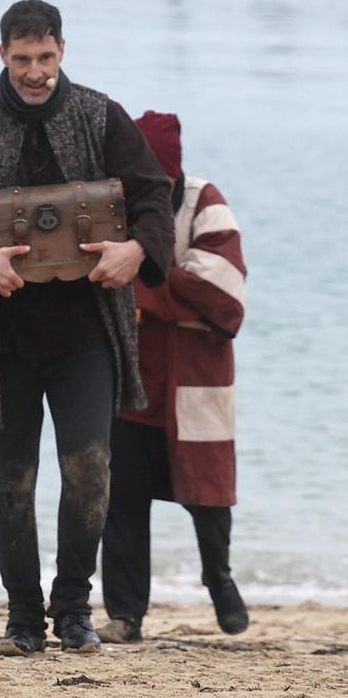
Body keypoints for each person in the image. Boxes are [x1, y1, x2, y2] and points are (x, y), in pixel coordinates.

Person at [0, 0, 174, 657]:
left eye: (46, 58)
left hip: (87, 331)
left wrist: (135, 251)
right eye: (22, 59)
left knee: (90, 469)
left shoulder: (99, 114)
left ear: (62, 51)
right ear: (2, 54)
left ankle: (75, 610)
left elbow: (152, 193)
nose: (34, 72)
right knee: (12, 484)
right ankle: (24, 619)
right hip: (1, 336)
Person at [99, 111, 249, 643]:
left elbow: (225, 299)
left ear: (175, 174)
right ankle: (124, 614)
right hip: (131, 383)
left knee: (209, 496)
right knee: (121, 504)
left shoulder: (206, 203)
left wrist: (140, 288)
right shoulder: (113, 203)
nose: (150, 191)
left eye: (158, 183)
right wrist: (172, 289)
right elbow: (95, 279)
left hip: (197, 378)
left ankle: (220, 581)